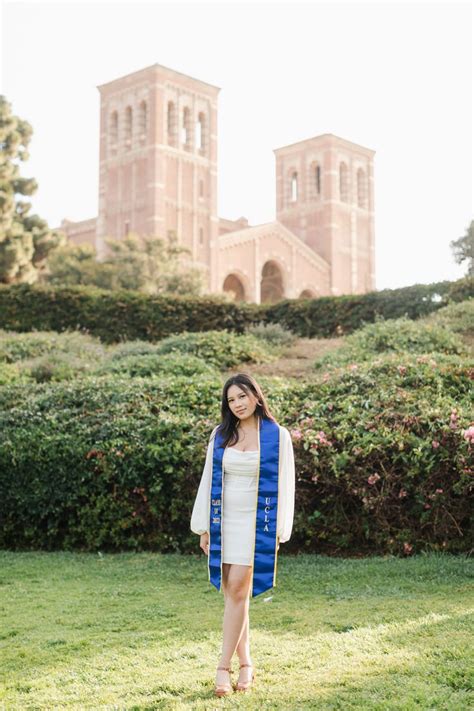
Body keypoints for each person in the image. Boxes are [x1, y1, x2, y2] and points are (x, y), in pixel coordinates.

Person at [190, 372, 296, 697]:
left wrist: (278, 531)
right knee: (233, 594)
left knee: (237, 589)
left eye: (242, 396)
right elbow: (209, 479)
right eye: (231, 399)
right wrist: (204, 526)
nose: (237, 404)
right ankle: (247, 663)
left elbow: (285, 483)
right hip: (224, 522)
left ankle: (223, 667)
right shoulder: (221, 435)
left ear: (256, 396)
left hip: (255, 524)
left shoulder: (277, 436)